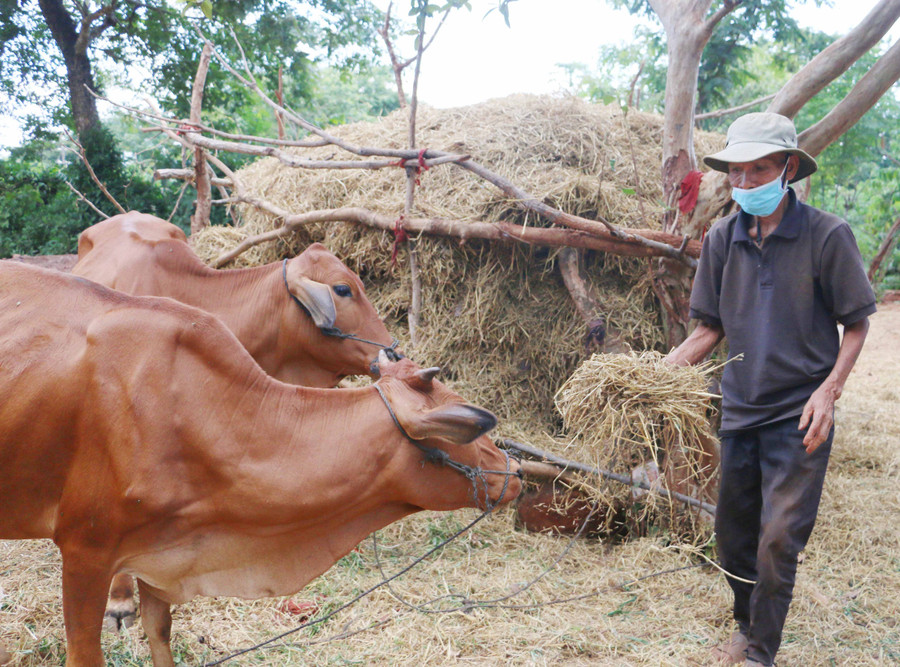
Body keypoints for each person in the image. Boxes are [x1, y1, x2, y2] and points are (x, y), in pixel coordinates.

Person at [666, 112, 876, 666]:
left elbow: (857, 323)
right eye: (736, 173)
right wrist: (660, 374)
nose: (745, 184)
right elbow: (708, 328)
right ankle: (746, 621)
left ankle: (760, 652)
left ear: (787, 168)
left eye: (758, 171)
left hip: (800, 414)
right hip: (739, 407)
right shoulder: (720, 239)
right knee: (733, 540)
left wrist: (828, 391)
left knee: (778, 537)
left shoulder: (827, 235)